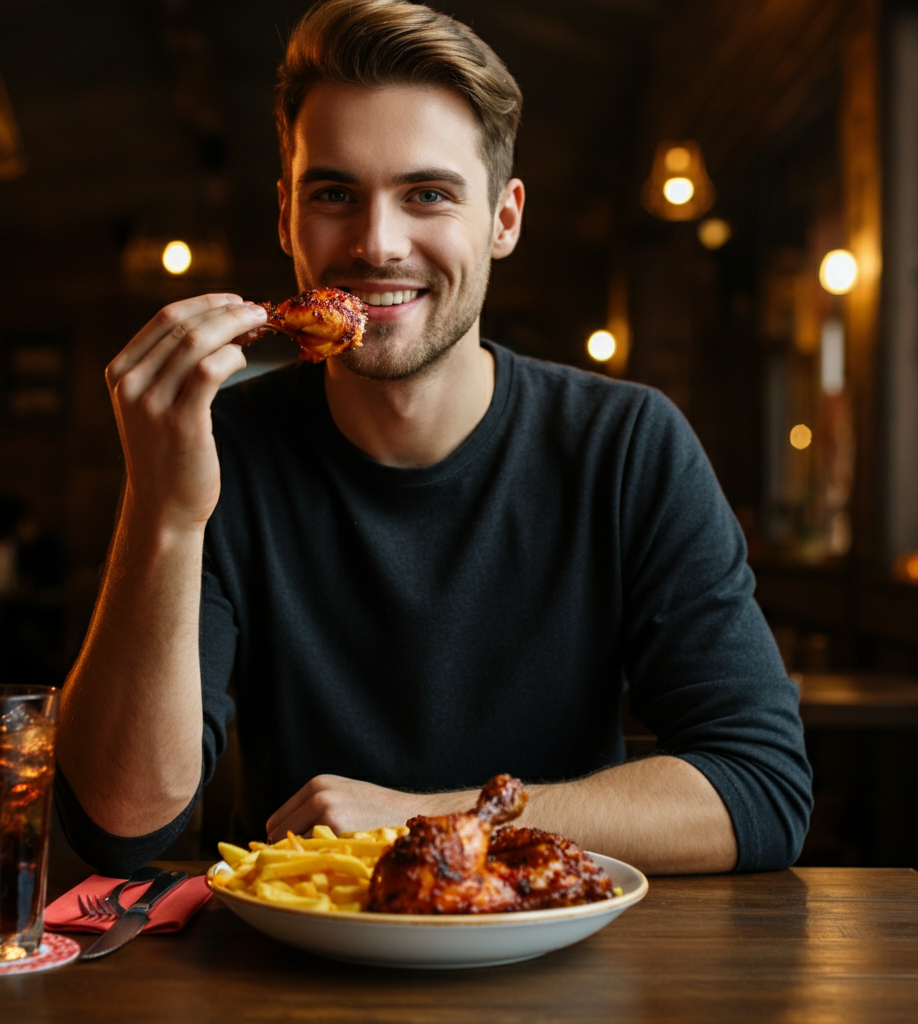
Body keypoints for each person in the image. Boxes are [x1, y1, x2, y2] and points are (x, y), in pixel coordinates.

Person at [56, 0, 811, 877]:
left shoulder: (628, 445)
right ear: (286, 217)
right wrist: (165, 512)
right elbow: (120, 825)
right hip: (294, 949)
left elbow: (761, 789)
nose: (378, 244)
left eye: (428, 195)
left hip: (556, 940)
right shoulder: (219, 447)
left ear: (503, 220)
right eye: (334, 194)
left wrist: (432, 819)